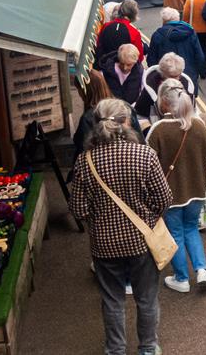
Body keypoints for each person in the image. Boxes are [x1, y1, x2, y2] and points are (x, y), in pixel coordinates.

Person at [68, 98, 172, 355]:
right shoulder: (144, 154)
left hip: (104, 246)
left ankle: (115, 350)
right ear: (126, 123)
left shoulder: (85, 161)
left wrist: (99, 219)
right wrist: (148, 217)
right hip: (142, 242)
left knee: (112, 301)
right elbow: (164, 198)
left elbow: (78, 209)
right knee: (146, 299)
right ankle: (148, 348)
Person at [147, 80, 206, 293]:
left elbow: (148, 164)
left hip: (170, 194)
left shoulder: (158, 130)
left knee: (175, 233)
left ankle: (182, 278)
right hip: (197, 190)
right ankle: (202, 270)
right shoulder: (200, 126)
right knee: (191, 228)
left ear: (164, 103)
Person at [147, 8, 205, 86]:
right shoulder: (191, 33)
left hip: (165, 78)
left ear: (164, 21)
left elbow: (152, 60)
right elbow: (200, 57)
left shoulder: (157, 35)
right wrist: (195, 73)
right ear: (178, 19)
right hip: (188, 77)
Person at [135, 53, 197, 120]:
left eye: (179, 75)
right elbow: (140, 114)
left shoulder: (186, 85)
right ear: (162, 74)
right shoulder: (150, 88)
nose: (177, 79)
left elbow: (192, 113)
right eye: (172, 77)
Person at [96, 0, 144, 68]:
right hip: (124, 69)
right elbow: (139, 57)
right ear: (134, 14)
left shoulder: (106, 26)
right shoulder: (134, 32)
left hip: (105, 67)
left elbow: (98, 45)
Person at [183, 0, 206, 80]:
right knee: (205, 50)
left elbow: (185, 16)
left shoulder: (190, 1)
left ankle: (195, 71)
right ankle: (203, 72)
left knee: (194, 51)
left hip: (194, 30)